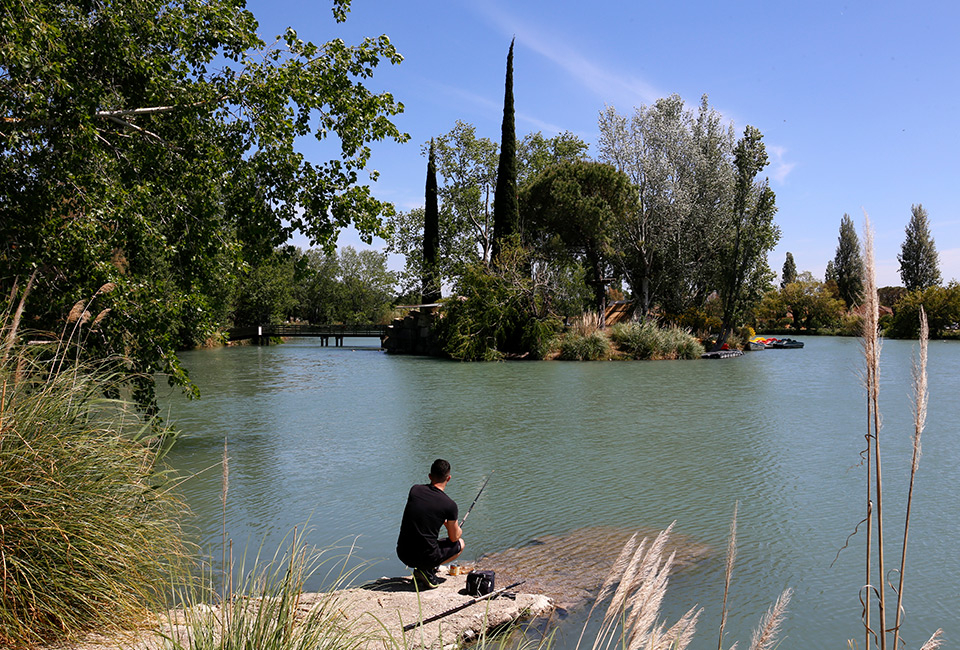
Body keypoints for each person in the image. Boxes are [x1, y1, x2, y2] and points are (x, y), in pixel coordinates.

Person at [396, 458, 465, 589]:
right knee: (460, 543)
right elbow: (454, 537)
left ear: (429, 476)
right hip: (425, 557)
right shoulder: (450, 505)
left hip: (403, 553)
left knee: (425, 539)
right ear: (448, 478)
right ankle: (426, 570)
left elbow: (424, 513)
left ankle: (422, 570)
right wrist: (455, 528)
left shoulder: (415, 490)